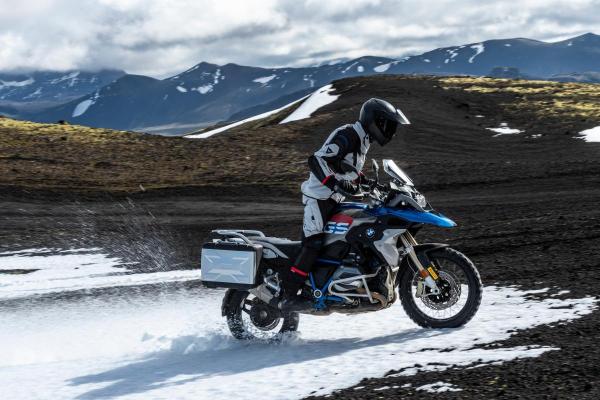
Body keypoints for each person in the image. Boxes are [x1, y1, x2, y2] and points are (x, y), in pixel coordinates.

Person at [280, 98, 410, 311]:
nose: (391, 131)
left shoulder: (363, 141)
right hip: (319, 199)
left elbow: (346, 167)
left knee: (347, 239)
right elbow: (317, 160)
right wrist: (333, 184)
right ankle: (288, 295)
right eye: (388, 124)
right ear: (375, 121)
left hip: (335, 200)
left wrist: (371, 184)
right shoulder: (348, 134)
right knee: (313, 243)